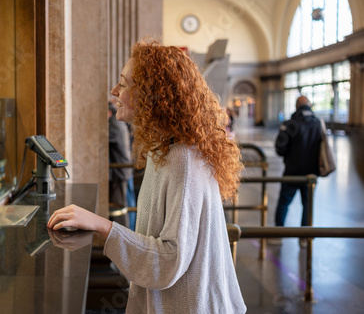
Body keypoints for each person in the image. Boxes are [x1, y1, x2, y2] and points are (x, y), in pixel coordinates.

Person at [47, 41, 246, 313]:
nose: (114, 91)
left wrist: (101, 225)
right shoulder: (164, 149)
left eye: (125, 84)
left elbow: (169, 261)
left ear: (153, 95)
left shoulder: (182, 158)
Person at [272, 96, 322, 247]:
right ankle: (304, 238)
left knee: (284, 202)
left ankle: (278, 235)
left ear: (296, 106)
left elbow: (280, 148)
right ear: (309, 105)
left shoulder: (291, 124)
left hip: (292, 171)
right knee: (308, 204)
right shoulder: (318, 123)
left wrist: (289, 155)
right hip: (312, 173)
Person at [108, 101, 133, 227]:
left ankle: (124, 239)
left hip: (120, 171)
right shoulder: (117, 122)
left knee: (119, 208)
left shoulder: (113, 124)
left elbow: (101, 139)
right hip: (122, 170)